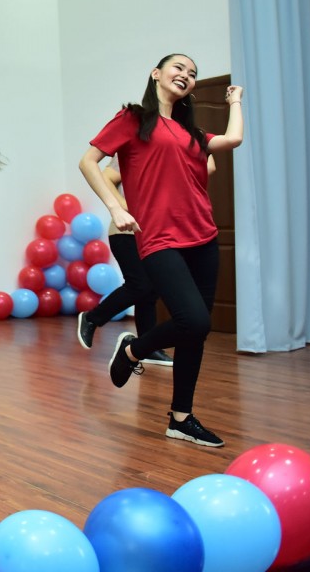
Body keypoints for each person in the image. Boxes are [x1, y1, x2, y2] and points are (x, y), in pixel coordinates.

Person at [80, 53, 243, 448]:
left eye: (193, 73)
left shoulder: (192, 133)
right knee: (194, 320)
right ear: (156, 73)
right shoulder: (133, 119)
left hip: (203, 237)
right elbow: (89, 162)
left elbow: (233, 139)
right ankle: (133, 349)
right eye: (178, 68)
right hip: (159, 238)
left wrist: (235, 101)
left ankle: (181, 418)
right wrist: (116, 207)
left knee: (195, 333)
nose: (186, 75)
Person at [75, 155, 215, 365]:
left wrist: (195, 145)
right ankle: (92, 318)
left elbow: (209, 167)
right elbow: (106, 177)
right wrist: (125, 207)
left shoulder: (174, 153)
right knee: (141, 285)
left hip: (154, 233)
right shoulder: (135, 150)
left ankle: (148, 348)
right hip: (127, 232)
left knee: (150, 293)